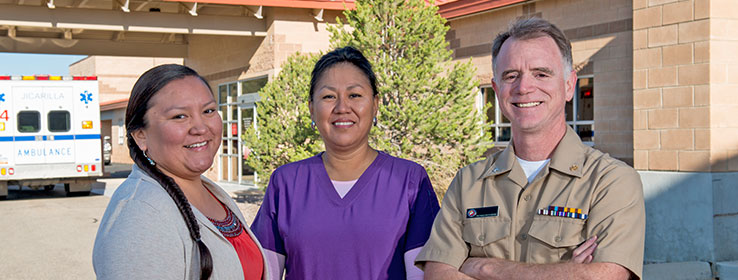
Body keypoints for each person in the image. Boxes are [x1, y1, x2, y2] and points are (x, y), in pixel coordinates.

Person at [416, 18, 645, 280]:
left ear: (569, 85)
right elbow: (437, 274)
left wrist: (483, 267)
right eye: (511, 76)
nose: (524, 88)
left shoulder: (610, 182)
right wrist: (565, 272)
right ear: (496, 89)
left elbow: (605, 276)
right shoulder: (468, 182)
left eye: (541, 74)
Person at [250, 46, 440, 280]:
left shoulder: (410, 182)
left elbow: (425, 275)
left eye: (355, 95)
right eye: (329, 96)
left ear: (375, 104)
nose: (342, 108)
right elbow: (262, 273)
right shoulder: (286, 183)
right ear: (311, 108)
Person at [93, 64, 269, 279]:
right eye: (179, 116)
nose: (201, 128)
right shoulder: (140, 216)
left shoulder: (210, 192)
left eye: (208, 111)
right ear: (141, 136)